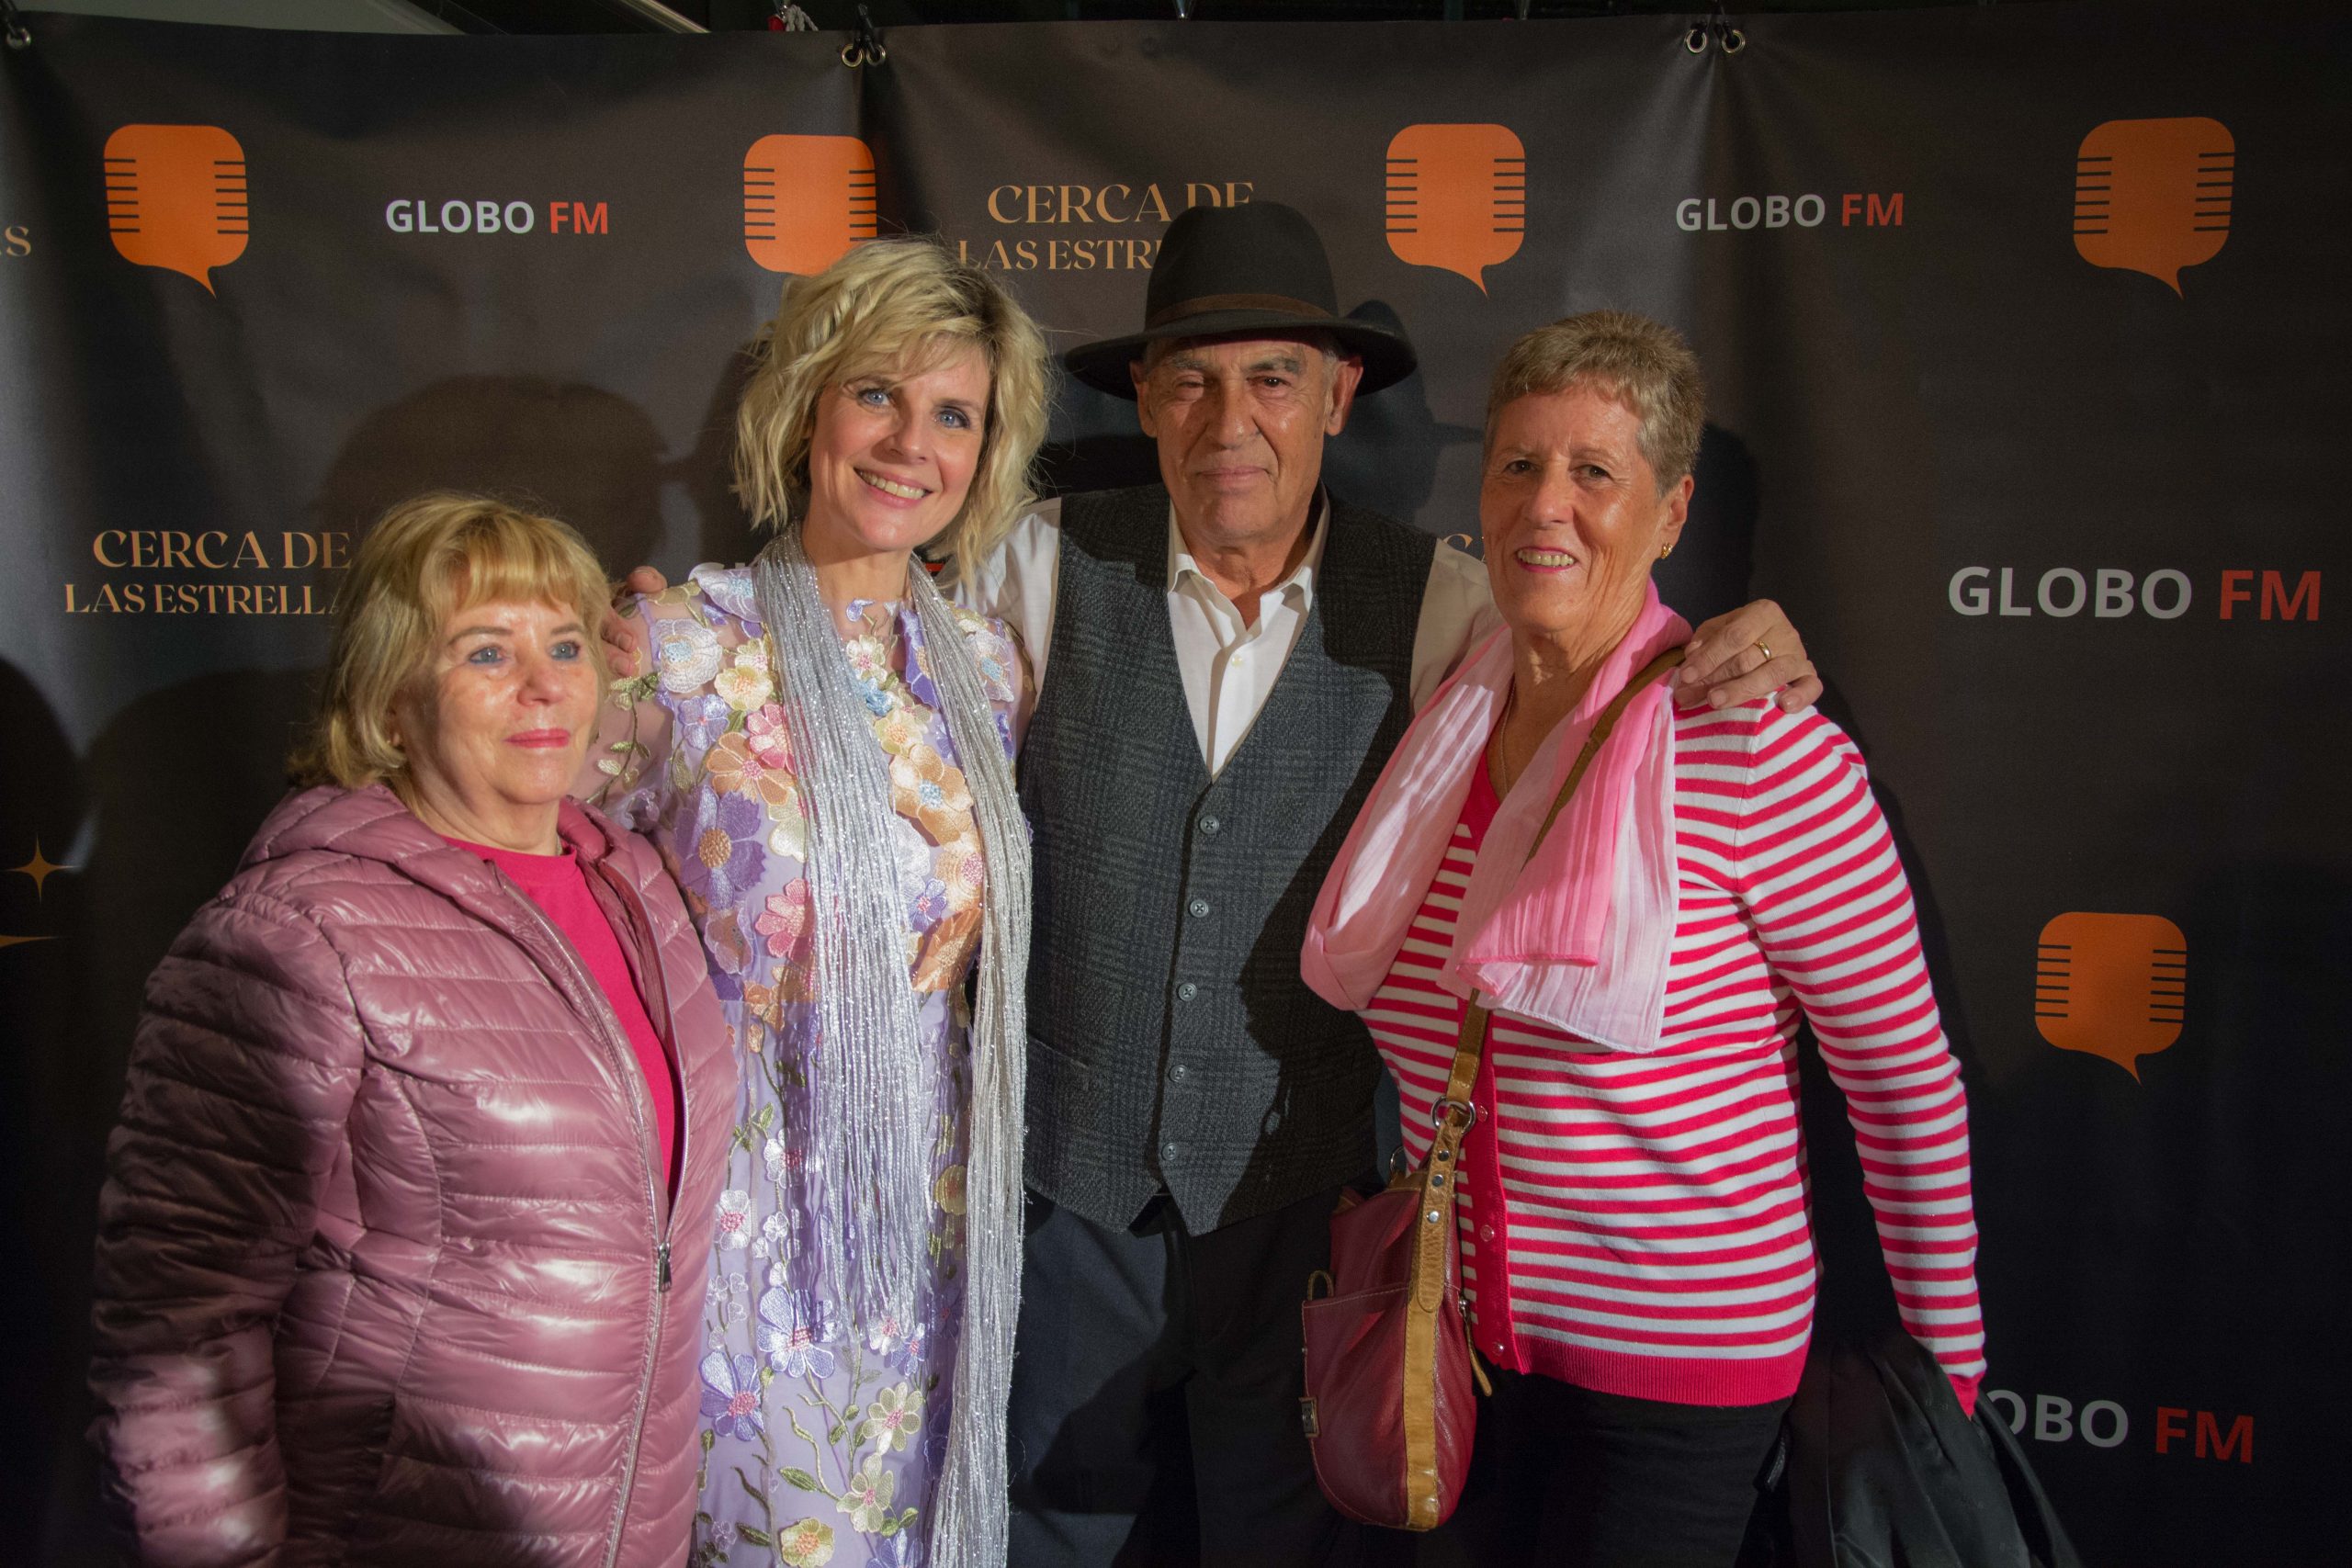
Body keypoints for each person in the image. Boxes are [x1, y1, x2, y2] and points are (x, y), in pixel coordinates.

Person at [960, 202, 1821, 1567]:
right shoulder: (1033, 562)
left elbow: (1604, 658)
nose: (1229, 420)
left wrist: (1739, 640)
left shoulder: (1447, 604)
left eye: (1273, 377)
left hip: (1310, 1216)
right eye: (1190, 380)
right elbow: (862, 695)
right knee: (1042, 1534)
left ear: (1338, 394)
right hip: (1068, 1204)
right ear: (1145, 395)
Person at [1301, 311, 1987, 1567]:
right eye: (1518, 464)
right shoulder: (1444, 719)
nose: (1545, 504)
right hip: (1459, 1351)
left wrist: (1948, 1379)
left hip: (1678, 1376)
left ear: (1671, 514)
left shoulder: (1759, 752)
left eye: (1593, 471)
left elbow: (1901, 1083)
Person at [87, 494, 737, 1565]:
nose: (544, 684)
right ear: (392, 703)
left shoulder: (639, 886)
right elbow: (177, 1338)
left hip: (637, 1529)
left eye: (565, 645)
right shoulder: (297, 934)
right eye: (486, 652)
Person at [591, 237, 1048, 1568]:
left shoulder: (987, 667)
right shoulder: (680, 646)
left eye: (953, 414)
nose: (911, 444)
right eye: (878, 395)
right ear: (806, 412)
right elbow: (532, 884)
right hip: (745, 1225)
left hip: (938, 1220)